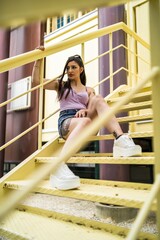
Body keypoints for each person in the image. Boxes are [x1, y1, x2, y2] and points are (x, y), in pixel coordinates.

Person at [32, 48, 142, 190]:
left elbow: (93, 107)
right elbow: (36, 81)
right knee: (86, 121)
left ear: (81, 70)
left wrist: (85, 109)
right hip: (67, 122)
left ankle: (120, 138)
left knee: (98, 99)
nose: (70, 70)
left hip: (85, 120)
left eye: (74, 67)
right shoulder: (61, 85)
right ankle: (59, 165)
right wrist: (39, 59)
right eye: (68, 68)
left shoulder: (88, 89)